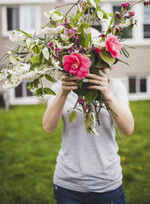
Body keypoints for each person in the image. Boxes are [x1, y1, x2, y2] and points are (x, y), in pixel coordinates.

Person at [42, 68, 134, 204]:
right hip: (68, 183)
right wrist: (63, 93)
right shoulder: (60, 86)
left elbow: (128, 128)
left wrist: (107, 93)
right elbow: (48, 127)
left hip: (107, 183)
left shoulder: (115, 86)